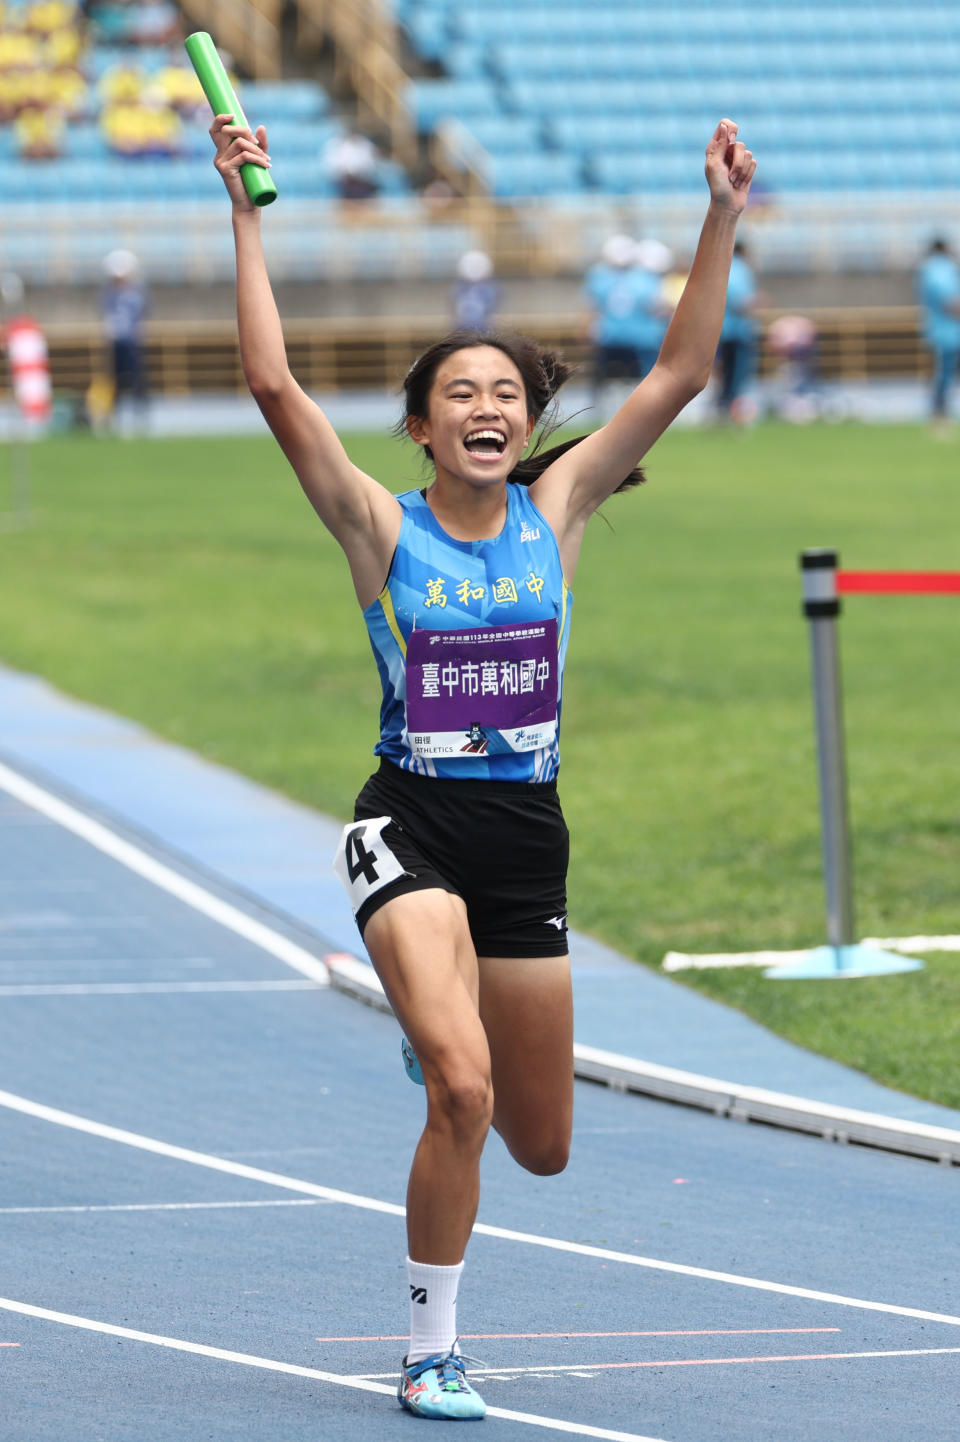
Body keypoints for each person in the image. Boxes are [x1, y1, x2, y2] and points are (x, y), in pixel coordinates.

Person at [209, 109, 755, 1420]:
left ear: (527, 421)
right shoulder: (377, 526)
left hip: (526, 837)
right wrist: (242, 205)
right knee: (461, 1087)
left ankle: (435, 1025)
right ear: (418, 427)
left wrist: (723, 213)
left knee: (544, 1143)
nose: (487, 409)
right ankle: (431, 1349)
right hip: (409, 824)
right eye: (460, 393)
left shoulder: (557, 509)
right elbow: (277, 390)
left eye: (505, 393)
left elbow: (678, 374)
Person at [582, 234, 667, 412]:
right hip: (637, 336)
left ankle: (598, 406)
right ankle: (645, 407)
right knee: (640, 378)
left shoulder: (600, 275)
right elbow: (655, 306)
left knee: (608, 376)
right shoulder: (643, 277)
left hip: (615, 335)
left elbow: (592, 307)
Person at [100, 248, 149, 432]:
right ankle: (113, 418)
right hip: (116, 342)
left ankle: (140, 417)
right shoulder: (108, 293)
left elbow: (141, 313)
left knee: (138, 380)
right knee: (114, 382)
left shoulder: (136, 292)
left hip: (133, 342)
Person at [916, 237, 960, 432]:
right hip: (948, 332)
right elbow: (950, 302)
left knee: (943, 376)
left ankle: (939, 415)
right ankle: (939, 416)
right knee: (943, 376)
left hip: (942, 331)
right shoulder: (939, 269)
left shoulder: (929, 269)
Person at [715, 239, 759, 422]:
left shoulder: (721, 267)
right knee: (737, 375)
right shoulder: (740, 270)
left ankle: (724, 408)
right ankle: (733, 412)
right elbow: (740, 300)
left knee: (724, 373)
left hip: (722, 329)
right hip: (737, 329)